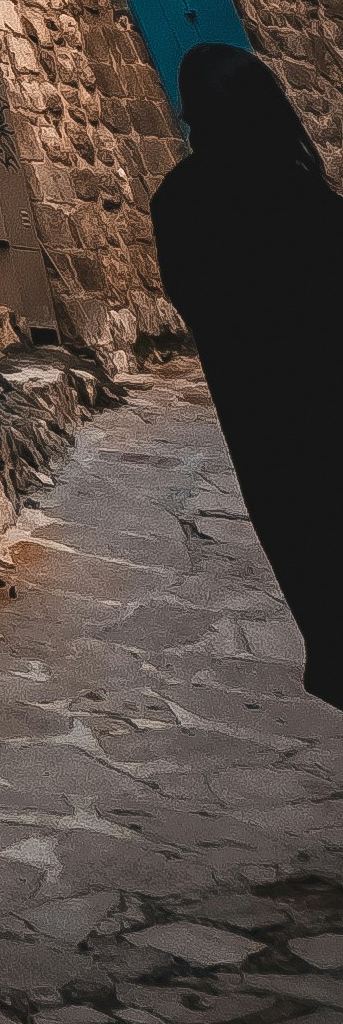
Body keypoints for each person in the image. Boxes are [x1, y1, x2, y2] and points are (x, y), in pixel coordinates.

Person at [149, 43, 343, 707]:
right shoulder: (298, 194)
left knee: (314, 557)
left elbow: (192, 297)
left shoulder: (180, 200)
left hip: (261, 420)